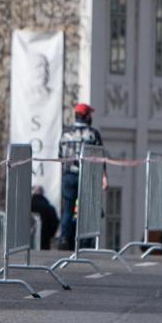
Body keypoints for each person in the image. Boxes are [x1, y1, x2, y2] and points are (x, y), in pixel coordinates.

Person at [57, 102, 103, 249]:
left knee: (68, 209)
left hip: (69, 175)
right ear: (86, 116)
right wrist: (103, 177)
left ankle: (64, 238)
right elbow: (100, 157)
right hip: (87, 176)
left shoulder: (66, 133)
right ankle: (85, 239)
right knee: (86, 209)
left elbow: (60, 155)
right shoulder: (92, 134)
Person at [29, 185, 60, 251]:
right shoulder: (49, 207)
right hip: (44, 240)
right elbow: (54, 223)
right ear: (42, 193)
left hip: (28, 240)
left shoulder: (27, 206)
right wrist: (50, 234)